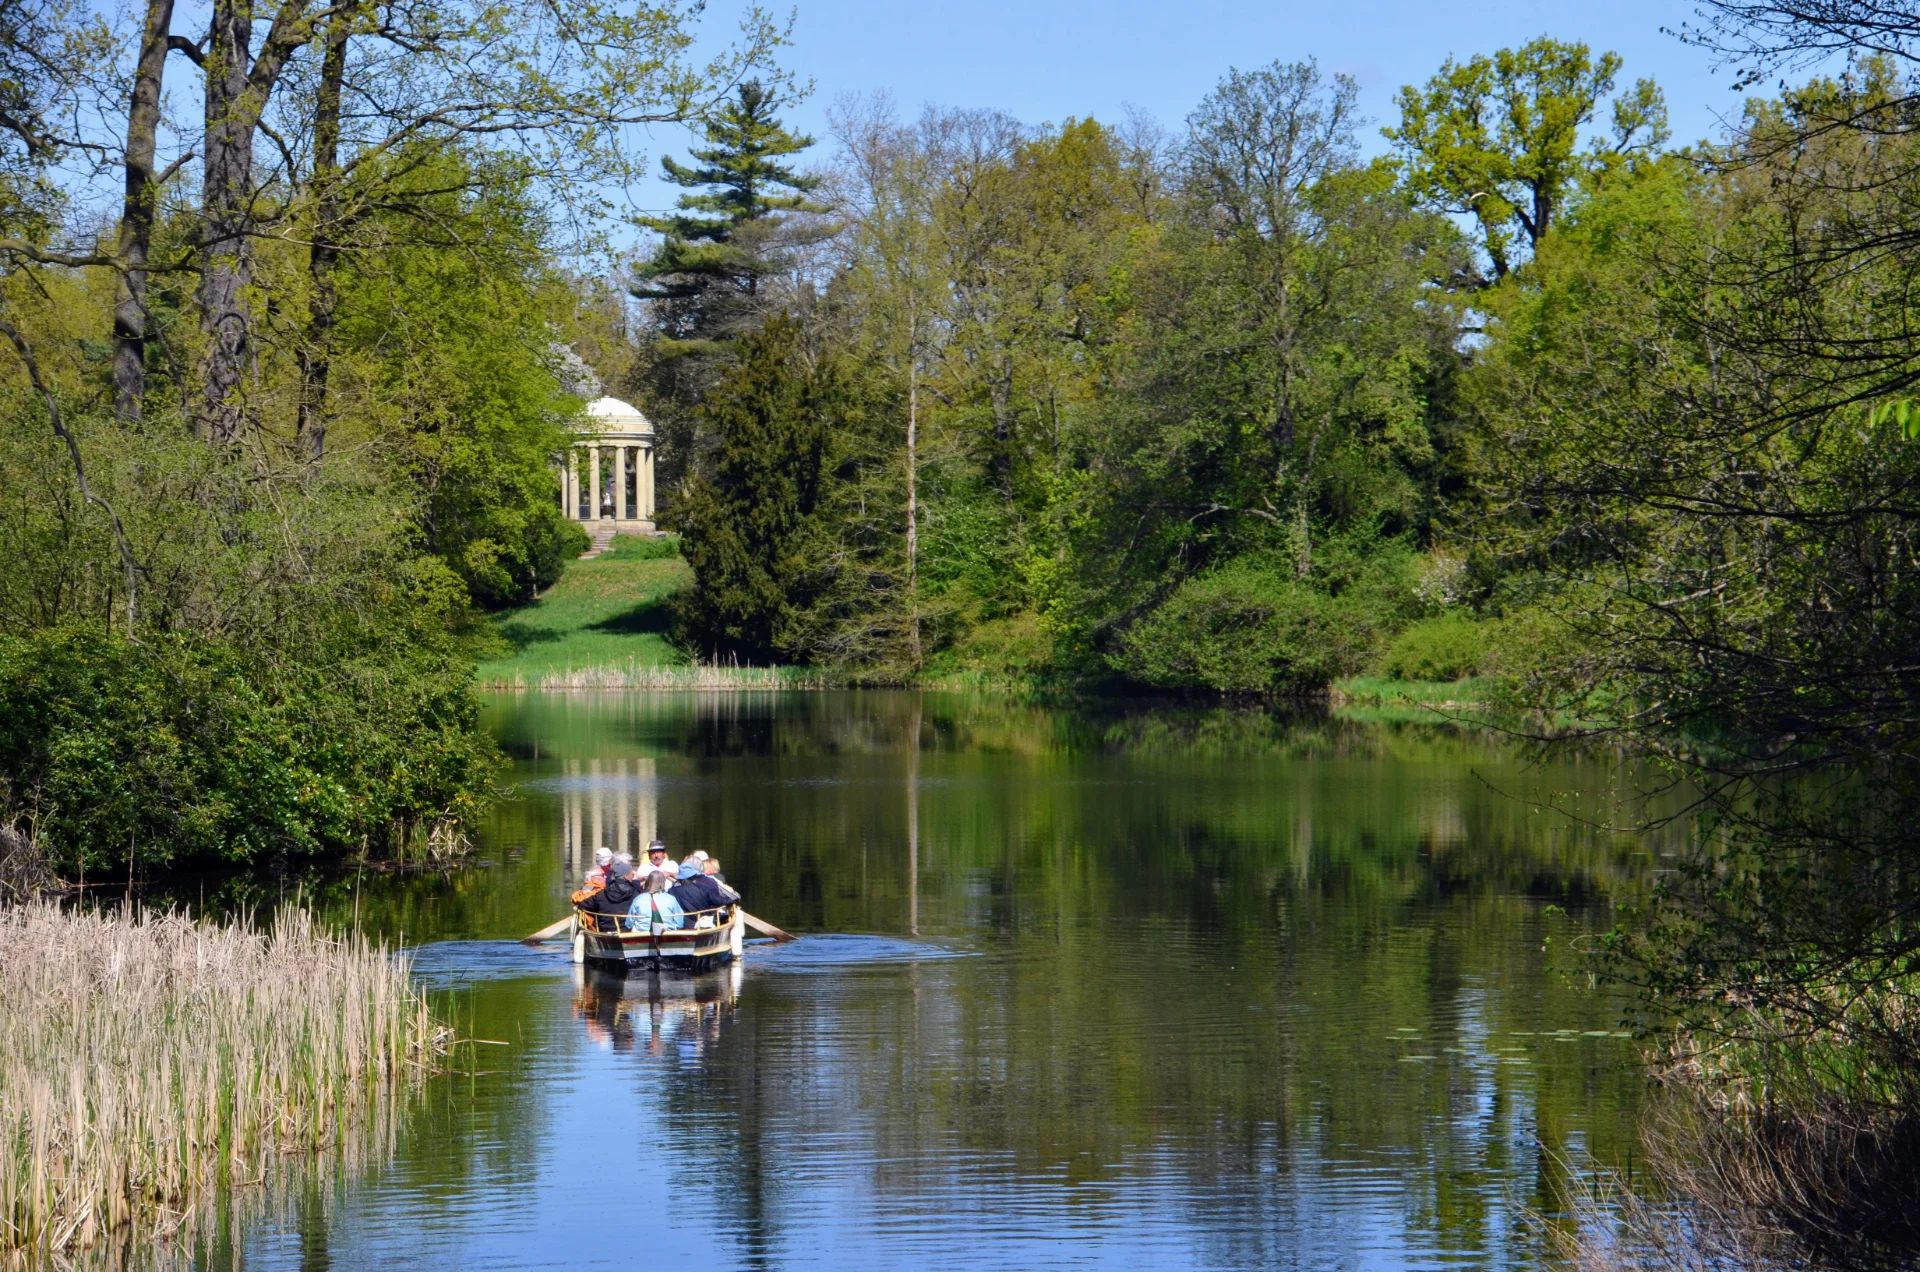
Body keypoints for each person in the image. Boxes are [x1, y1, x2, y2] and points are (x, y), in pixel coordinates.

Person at [669, 861, 730, 926]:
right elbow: (718, 900)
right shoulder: (703, 888)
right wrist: (730, 900)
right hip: (702, 924)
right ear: (694, 876)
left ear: (680, 878)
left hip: (683, 926)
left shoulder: (671, 891)